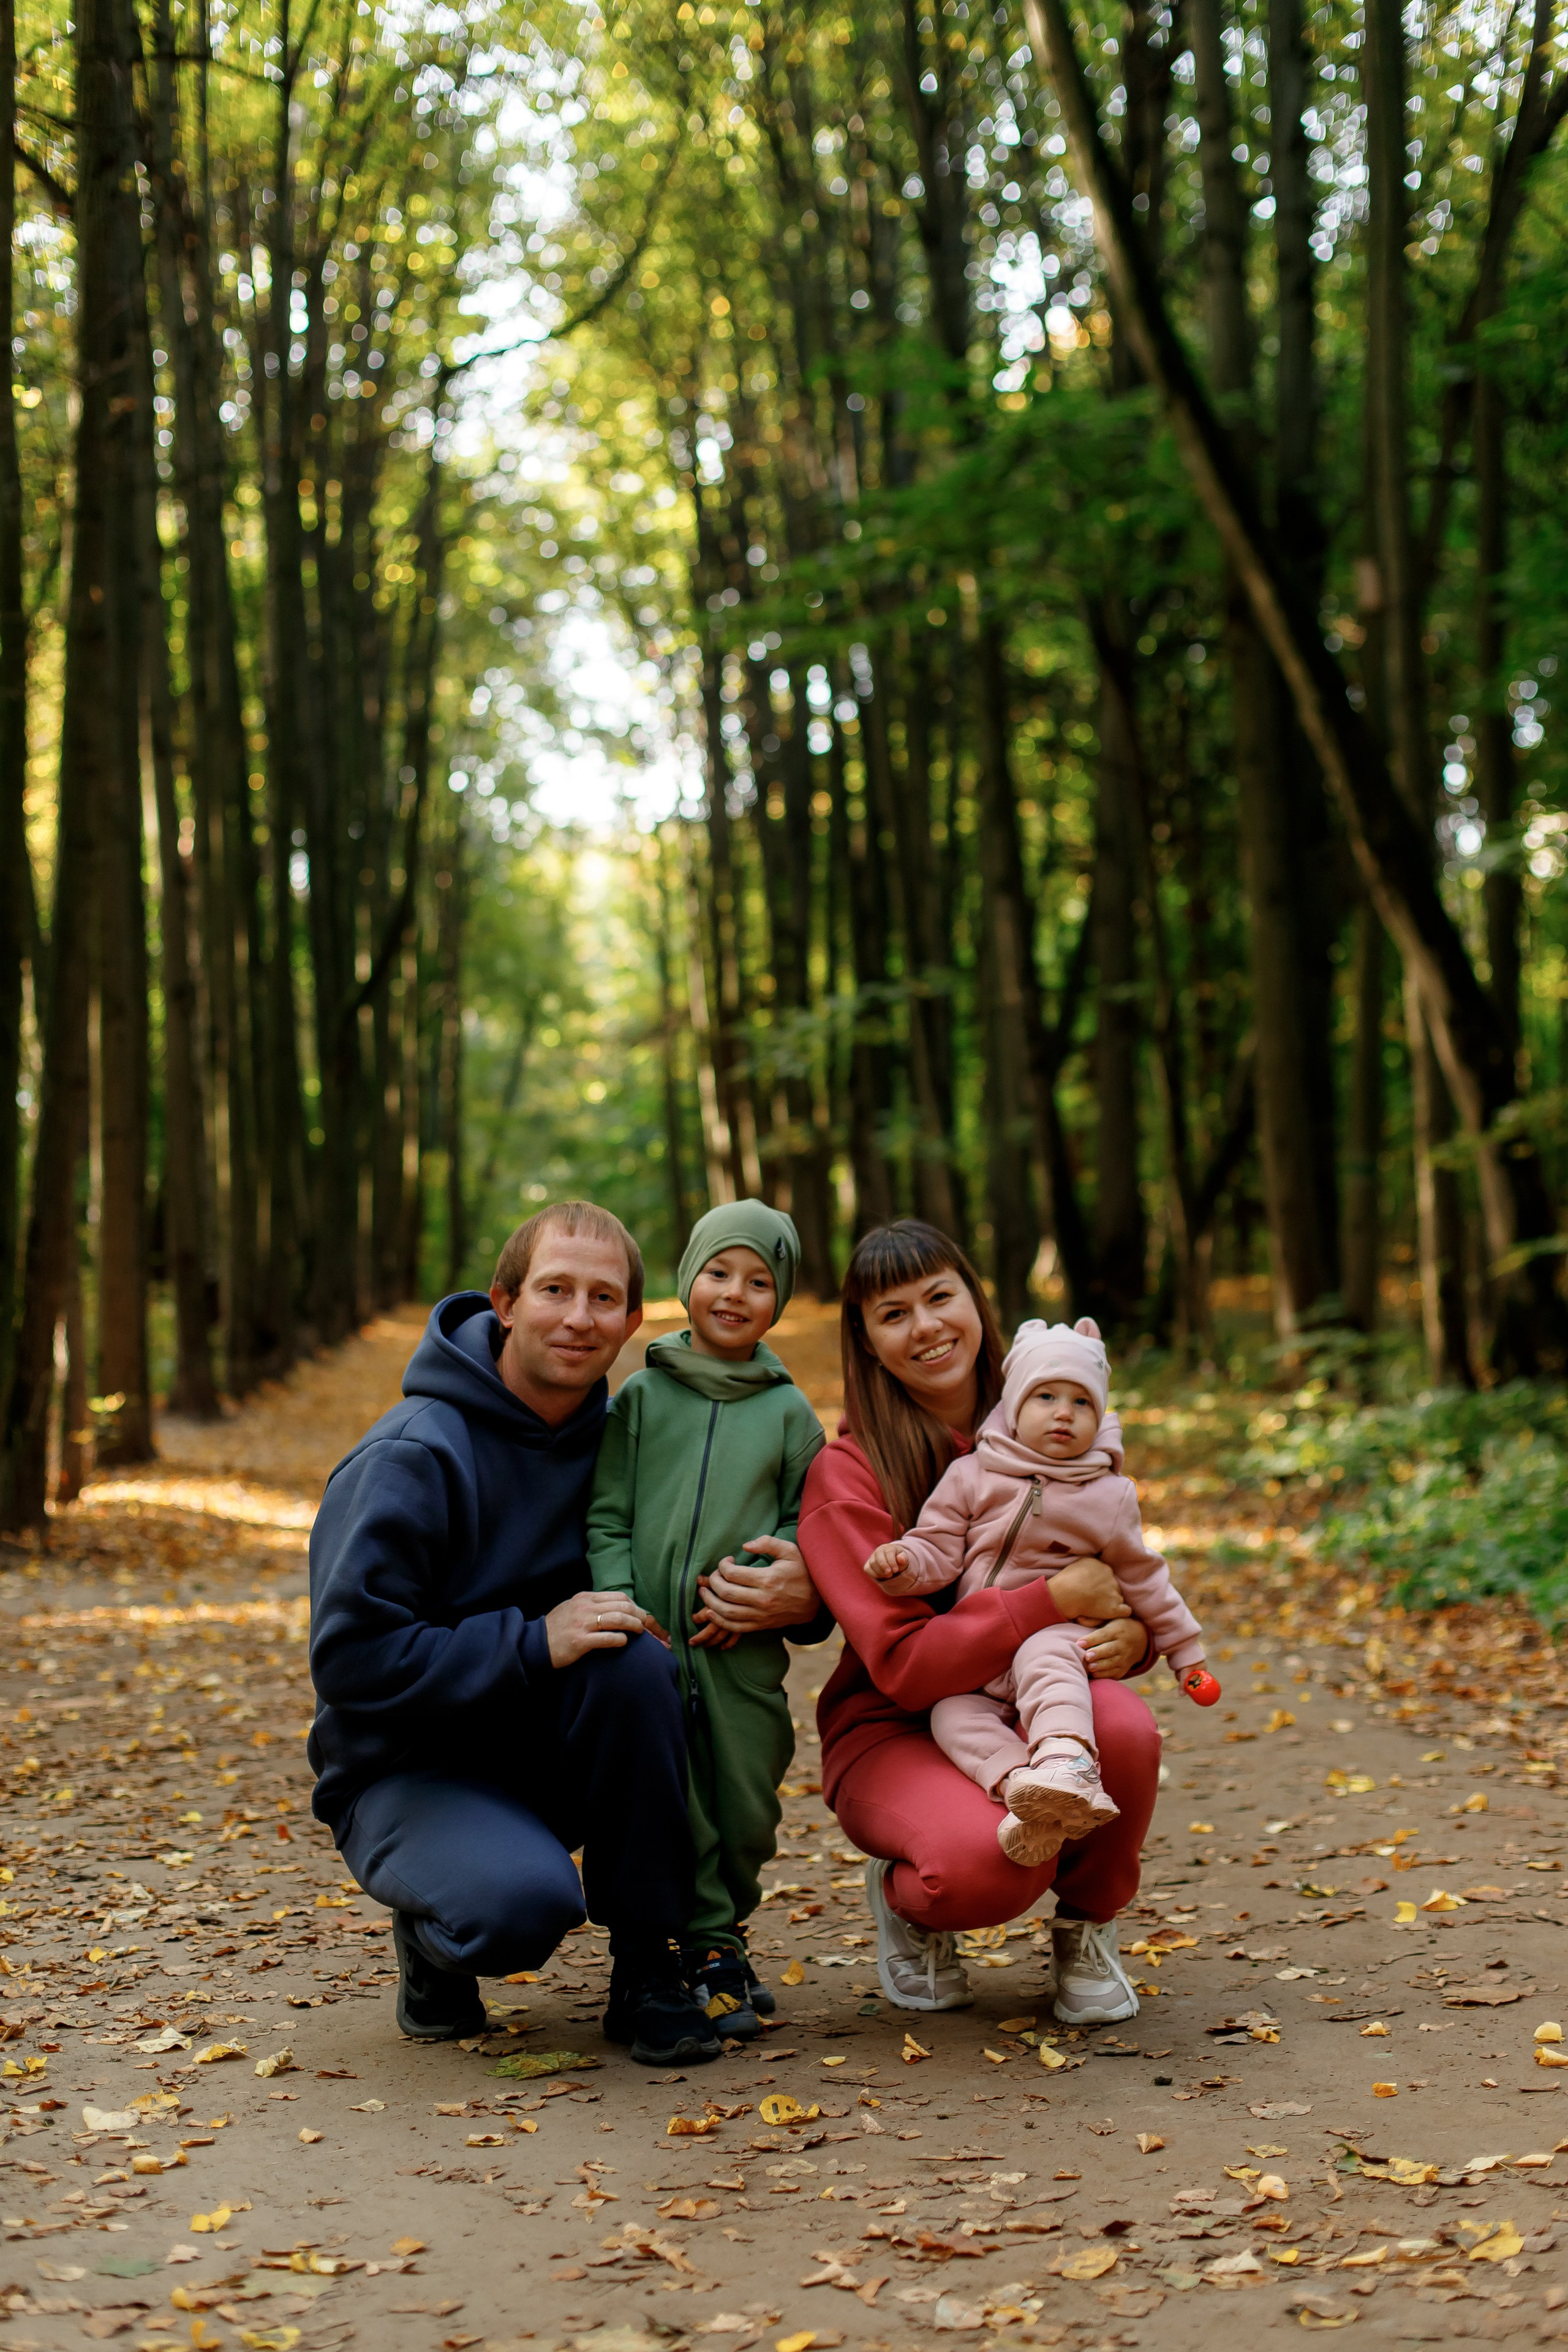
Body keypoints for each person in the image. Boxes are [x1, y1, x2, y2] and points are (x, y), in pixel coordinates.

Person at [307, 1201, 725, 2068]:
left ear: (632, 1322)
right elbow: (350, 1660)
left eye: (603, 1298)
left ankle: (648, 1967)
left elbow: (713, 1537)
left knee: (634, 1662)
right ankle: (433, 1942)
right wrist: (532, 1641)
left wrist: (799, 1582)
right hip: (407, 1767)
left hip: (541, 1749)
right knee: (519, 1912)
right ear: (504, 1302)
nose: (578, 1318)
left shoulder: (624, 1448)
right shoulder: (412, 1456)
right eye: (554, 1290)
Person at [797, 1221, 1162, 2026]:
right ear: (866, 1340)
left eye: (940, 1297)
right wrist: (1049, 1601)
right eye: (893, 1314)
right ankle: (911, 1903)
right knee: (989, 1868)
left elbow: (1118, 1569)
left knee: (1124, 1733)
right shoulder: (846, 1475)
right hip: (893, 1726)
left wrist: (1134, 1637)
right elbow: (903, 1667)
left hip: (1030, 1691)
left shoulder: (1058, 1417)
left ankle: (1087, 1929)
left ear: (976, 1301)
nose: (926, 1326)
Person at [588, 1202, 826, 2039]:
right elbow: (607, 1516)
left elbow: (808, 1524)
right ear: (690, 1278)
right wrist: (624, 1603)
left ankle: (725, 1930)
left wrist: (755, 1588)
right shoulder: (642, 1397)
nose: (734, 1293)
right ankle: (708, 1949)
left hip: (741, 1653)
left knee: (745, 1808)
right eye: (719, 1272)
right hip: (652, 1649)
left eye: (759, 1281)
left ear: (779, 1300)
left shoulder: (790, 1414)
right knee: (675, 1798)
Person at [863, 1315, 1217, 1867]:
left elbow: (1144, 1578)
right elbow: (939, 1547)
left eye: (1082, 1402)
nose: (1063, 1413)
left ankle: (1067, 1761)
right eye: (1046, 1396)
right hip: (979, 1655)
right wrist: (905, 1563)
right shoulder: (972, 1474)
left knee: (1046, 1660)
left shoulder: (1109, 1496)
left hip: (1055, 1634)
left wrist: (1185, 1654)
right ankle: (1025, 1793)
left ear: (1101, 1416)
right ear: (1014, 1405)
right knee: (950, 1716)